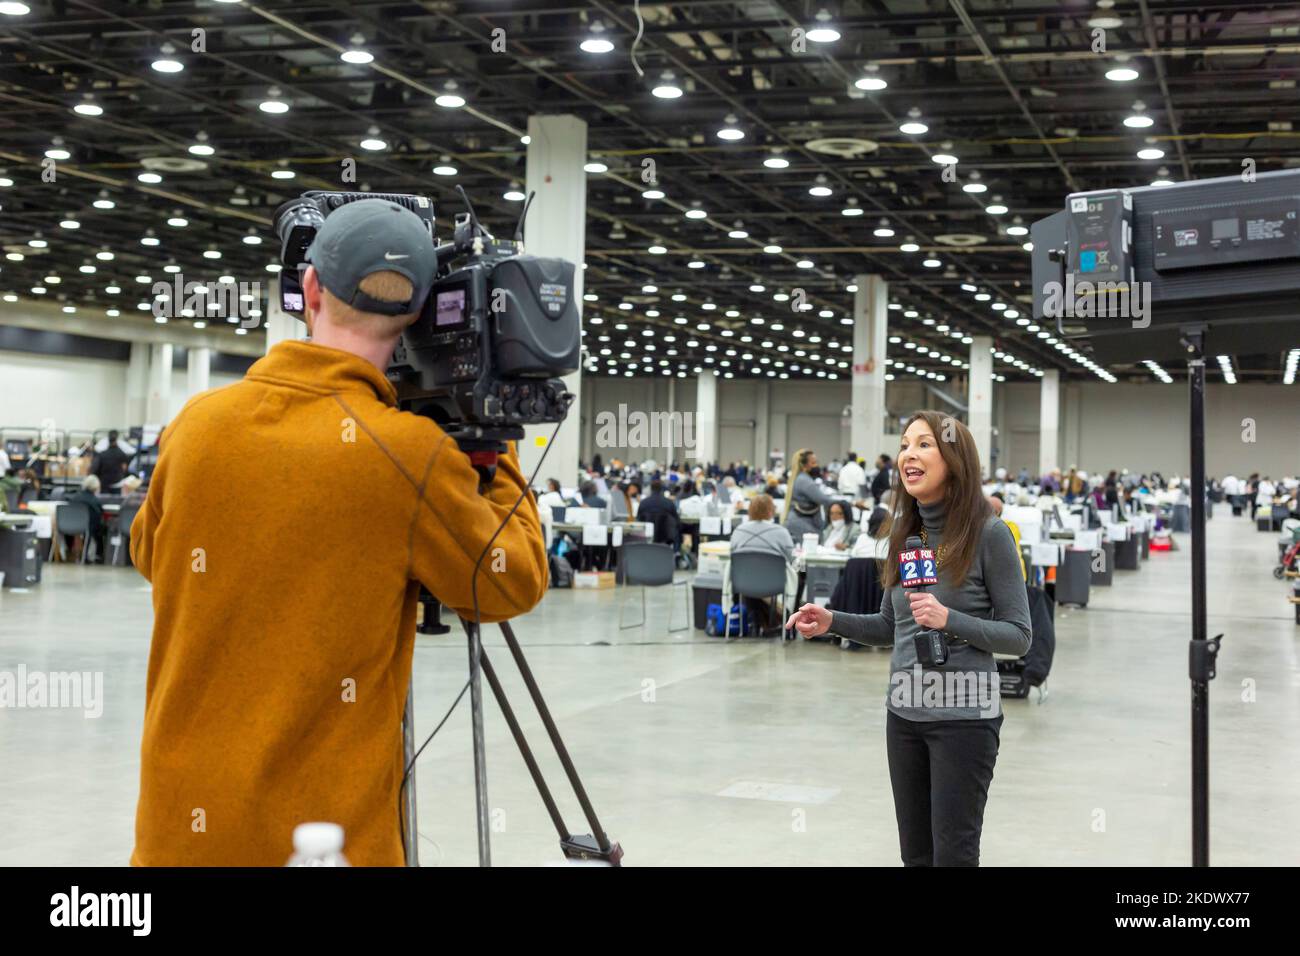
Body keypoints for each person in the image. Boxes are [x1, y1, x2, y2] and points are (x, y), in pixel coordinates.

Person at [128, 198, 548, 866]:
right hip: (321, 842)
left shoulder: (196, 425)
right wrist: (498, 442)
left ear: (311, 290)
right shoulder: (409, 455)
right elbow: (510, 582)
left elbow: (151, 554)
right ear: (414, 314)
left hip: (179, 827)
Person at [785, 410, 1031, 867]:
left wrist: (947, 618)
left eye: (923, 444)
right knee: (915, 856)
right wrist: (831, 619)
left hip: (964, 720)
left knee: (953, 857)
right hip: (903, 717)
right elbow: (888, 626)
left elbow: (1019, 637)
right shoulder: (905, 536)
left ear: (954, 459)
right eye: (903, 445)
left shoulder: (989, 535)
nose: (908, 455)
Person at [782, 448, 839, 542]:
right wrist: (849, 503)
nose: (817, 466)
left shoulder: (801, 479)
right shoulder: (804, 481)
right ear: (804, 466)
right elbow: (824, 500)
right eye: (813, 463)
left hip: (801, 522)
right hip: (802, 524)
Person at [66, 474, 106, 561]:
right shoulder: (95, 501)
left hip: (70, 525)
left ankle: (70, 554)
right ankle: (99, 555)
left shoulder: (75, 497)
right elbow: (100, 514)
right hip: (88, 527)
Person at [636, 479, 679, 547]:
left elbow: (638, 520)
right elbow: (676, 521)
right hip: (665, 539)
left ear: (651, 489)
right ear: (662, 489)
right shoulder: (669, 503)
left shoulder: (643, 503)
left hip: (646, 538)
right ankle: (677, 552)